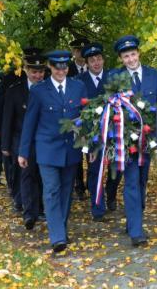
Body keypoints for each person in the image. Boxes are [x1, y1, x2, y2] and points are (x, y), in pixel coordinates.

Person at [18, 50, 87, 253]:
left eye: (64, 67)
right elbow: (29, 123)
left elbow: (85, 120)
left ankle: (60, 229)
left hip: (70, 149)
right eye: (57, 67)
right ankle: (57, 236)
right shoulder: (39, 91)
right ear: (50, 67)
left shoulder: (78, 87)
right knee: (51, 190)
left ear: (68, 67)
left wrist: (88, 145)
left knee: (66, 191)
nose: (61, 70)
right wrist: (23, 151)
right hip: (47, 149)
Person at [109, 35, 157, 247]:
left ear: (138, 53)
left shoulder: (153, 75)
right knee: (131, 181)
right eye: (126, 56)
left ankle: (134, 218)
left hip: (148, 138)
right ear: (121, 59)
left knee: (142, 180)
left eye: (133, 54)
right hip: (126, 138)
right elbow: (110, 106)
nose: (130, 59)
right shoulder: (115, 77)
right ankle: (136, 231)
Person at [1, 52, 47, 228]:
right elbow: (8, 118)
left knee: (42, 175)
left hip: (43, 140)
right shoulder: (15, 90)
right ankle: (29, 213)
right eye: (34, 71)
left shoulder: (49, 89)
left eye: (41, 71)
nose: (37, 75)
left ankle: (41, 208)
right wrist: (5, 144)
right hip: (21, 140)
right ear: (26, 70)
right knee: (26, 175)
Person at [77, 42, 111, 222]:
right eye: (92, 60)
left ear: (103, 59)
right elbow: (78, 111)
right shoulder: (80, 81)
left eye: (98, 59)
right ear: (87, 63)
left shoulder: (114, 77)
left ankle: (111, 194)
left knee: (117, 168)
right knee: (95, 170)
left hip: (115, 131)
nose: (96, 63)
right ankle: (98, 207)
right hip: (92, 134)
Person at [68, 37, 90, 201]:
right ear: (73, 52)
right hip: (74, 117)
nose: (80, 53)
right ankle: (79, 185)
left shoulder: (95, 66)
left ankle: (91, 182)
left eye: (83, 50)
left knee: (91, 153)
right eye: (77, 50)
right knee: (76, 155)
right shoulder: (67, 69)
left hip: (92, 118)